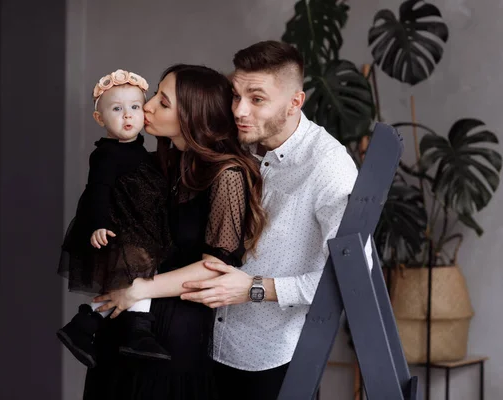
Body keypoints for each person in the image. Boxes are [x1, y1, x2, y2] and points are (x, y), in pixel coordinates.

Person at [179, 40, 373, 400]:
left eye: (257, 99)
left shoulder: (329, 167)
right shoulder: (234, 144)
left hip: (273, 363)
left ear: (295, 102)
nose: (239, 111)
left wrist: (254, 288)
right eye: (235, 95)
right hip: (203, 346)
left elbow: (355, 274)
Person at [82, 64, 267, 400]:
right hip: (126, 323)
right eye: (154, 94)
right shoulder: (158, 165)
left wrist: (137, 290)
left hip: (172, 337)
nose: (147, 106)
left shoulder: (226, 176)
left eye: (163, 103)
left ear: (193, 118)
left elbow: (215, 267)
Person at [57, 69, 173, 369]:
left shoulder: (141, 153)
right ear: (100, 120)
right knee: (143, 272)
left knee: (135, 277)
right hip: (116, 229)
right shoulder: (106, 155)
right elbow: (97, 190)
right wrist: (98, 223)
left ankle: (85, 324)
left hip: (136, 228)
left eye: (135, 107)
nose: (128, 116)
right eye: (117, 109)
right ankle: (138, 331)